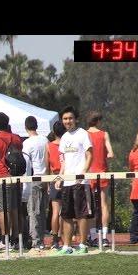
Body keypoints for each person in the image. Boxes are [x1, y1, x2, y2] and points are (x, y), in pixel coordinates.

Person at [54, 106, 94, 255]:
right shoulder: (64, 137)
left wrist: (83, 173)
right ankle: (67, 246)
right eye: (65, 119)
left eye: (70, 118)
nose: (68, 121)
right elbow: (63, 162)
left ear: (75, 119)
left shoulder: (83, 134)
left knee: (81, 214)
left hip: (81, 182)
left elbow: (90, 155)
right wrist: (60, 177)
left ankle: (83, 245)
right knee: (66, 215)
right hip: (68, 182)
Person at [0, 112, 23, 251]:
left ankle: (5, 239)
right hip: (17, 177)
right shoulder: (17, 138)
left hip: (1, 177)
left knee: (3, 210)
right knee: (15, 209)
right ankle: (16, 239)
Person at [86, 111, 114, 247]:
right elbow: (111, 153)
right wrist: (104, 155)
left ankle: (92, 236)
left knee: (90, 206)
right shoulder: (104, 134)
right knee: (103, 205)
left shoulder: (84, 134)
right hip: (102, 172)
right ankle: (104, 236)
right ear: (98, 121)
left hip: (89, 173)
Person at [22, 116, 50, 250]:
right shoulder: (45, 140)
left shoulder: (27, 143)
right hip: (46, 178)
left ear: (26, 127)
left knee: (33, 211)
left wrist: (25, 184)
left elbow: (27, 165)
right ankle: (41, 240)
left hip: (34, 179)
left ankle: (35, 241)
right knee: (42, 211)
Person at [47, 120, 66, 249]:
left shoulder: (48, 146)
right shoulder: (66, 145)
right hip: (66, 176)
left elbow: (47, 165)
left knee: (55, 211)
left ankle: (54, 239)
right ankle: (64, 237)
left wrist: (49, 182)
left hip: (54, 177)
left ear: (53, 132)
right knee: (64, 212)